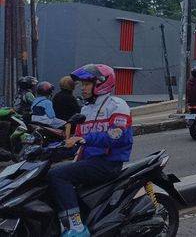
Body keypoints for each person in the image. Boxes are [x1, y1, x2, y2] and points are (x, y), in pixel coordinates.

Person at [47, 64, 132, 237]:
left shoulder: (117, 105)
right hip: (89, 161)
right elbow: (76, 141)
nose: (82, 88)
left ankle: (77, 228)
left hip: (108, 163)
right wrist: (50, 150)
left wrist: (85, 139)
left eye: (87, 84)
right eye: (82, 84)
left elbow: (119, 136)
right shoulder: (86, 109)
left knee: (58, 175)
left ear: (101, 83)